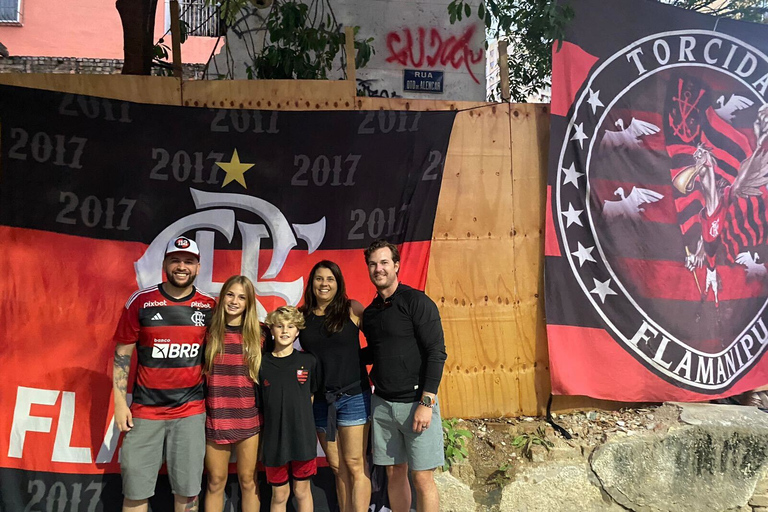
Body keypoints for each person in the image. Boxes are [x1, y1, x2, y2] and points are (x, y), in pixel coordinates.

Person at [112, 236, 215, 512]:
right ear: (165, 263)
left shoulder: (209, 306)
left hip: (190, 413)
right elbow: (123, 354)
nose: (182, 267)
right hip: (145, 413)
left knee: (188, 494)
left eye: (188, 262)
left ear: (198, 267)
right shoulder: (141, 301)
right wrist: (120, 403)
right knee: (135, 492)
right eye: (176, 261)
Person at [361, 240, 447, 512]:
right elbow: (377, 353)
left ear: (396, 265)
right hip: (383, 405)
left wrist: (426, 403)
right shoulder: (372, 313)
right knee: (394, 473)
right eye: (373, 264)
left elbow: (436, 353)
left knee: (422, 477)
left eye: (384, 262)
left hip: (417, 405)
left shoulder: (417, 302)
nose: (379, 269)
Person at [299, 261, 371, 512]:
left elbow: (380, 342)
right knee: (337, 466)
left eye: (330, 279)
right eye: (319, 279)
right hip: (321, 401)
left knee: (355, 464)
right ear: (312, 283)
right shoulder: (302, 316)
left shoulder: (352, 309)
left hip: (353, 395)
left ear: (338, 283)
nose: (324, 284)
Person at [203, 275, 264, 512]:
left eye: (241, 297)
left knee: (248, 481)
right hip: (216, 418)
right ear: (222, 297)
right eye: (230, 294)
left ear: (249, 302)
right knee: (215, 481)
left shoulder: (260, 335)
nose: (234, 301)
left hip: (249, 419)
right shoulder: (208, 333)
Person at [260, 306, 319, 512]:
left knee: (303, 492)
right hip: (274, 441)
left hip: (302, 438)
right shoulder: (262, 363)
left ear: (298, 331)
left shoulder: (308, 361)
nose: (285, 331)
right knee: (279, 495)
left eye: (290, 326)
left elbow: (311, 396)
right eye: (279, 326)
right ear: (271, 329)